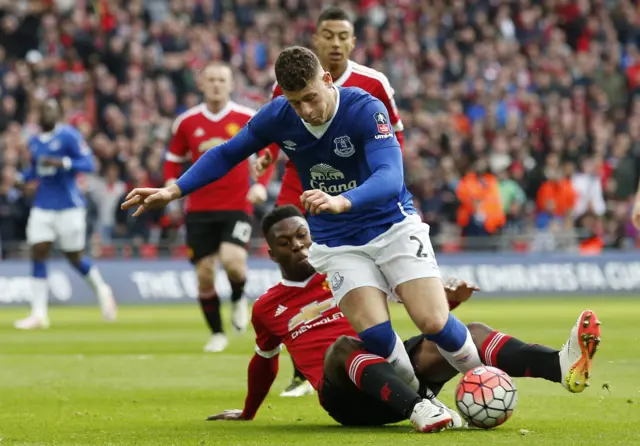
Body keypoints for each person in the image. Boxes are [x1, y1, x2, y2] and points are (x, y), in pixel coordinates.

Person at [122, 46, 484, 430]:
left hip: (390, 224)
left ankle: (483, 379)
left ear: (327, 80)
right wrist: (173, 190)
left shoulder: (366, 109)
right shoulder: (279, 115)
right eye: (296, 103)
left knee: (432, 321)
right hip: (336, 238)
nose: (306, 110)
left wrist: (342, 200)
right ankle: (425, 404)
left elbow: (390, 177)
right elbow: (227, 154)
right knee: (376, 335)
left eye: (311, 98)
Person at [206, 205, 601, 429]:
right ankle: (420, 410)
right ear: (271, 253)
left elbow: (415, 306)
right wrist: (249, 411)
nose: (298, 246)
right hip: (347, 398)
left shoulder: (346, 268)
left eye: (303, 236)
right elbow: (265, 361)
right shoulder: (267, 307)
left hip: (396, 370)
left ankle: (560, 365)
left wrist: (449, 302)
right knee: (344, 346)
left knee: (471, 332)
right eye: (285, 242)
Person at [257, 5, 405, 398]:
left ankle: (359, 349)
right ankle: (305, 364)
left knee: (347, 266)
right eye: (328, 36)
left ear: (353, 41)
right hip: (301, 182)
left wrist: (384, 183)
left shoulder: (373, 83)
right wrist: (268, 158)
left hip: (354, 187)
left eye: (343, 36)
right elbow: (271, 130)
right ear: (316, 39)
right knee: (294, 261)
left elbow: (394, 140)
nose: (336, 43)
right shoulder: (290, 79)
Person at [164, 62, 272, 353]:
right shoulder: (186, 122)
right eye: (210, 80)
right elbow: (172, 161)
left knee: (234, 262)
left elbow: (266, 155)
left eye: (221, 80)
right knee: (204, 273)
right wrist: (170, 184)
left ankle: (238, 297)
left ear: (231, 83)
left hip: (237, 205)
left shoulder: (247, 117)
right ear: (201, 84)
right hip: (198, 207)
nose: (216, 85)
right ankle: (216, 333)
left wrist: (260, 183)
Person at [15, 98, 117, 330]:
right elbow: (35, 170)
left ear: (59, 114)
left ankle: (102, 290)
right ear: (38, 114)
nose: (48, 114)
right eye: (44, 109)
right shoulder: (33, 142)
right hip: (42, 205)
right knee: (38, 251)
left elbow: (89, 164)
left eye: (52, 109)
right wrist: (22, 180)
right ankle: (39, 313)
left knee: (74, 256)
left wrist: (63, 162)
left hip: (69, 206)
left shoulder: (69, 136)